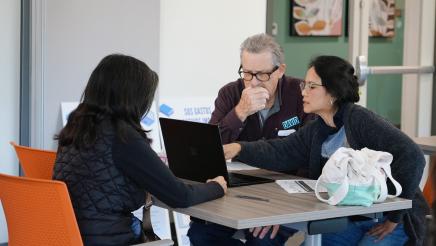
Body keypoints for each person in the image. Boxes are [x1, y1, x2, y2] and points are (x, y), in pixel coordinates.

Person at [223, 55, 429, 245]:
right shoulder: (317, 128)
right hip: (352, 217)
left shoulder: (360, 119)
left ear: (333, 92)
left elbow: (413, 157)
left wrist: (395, 218)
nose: (303, 92)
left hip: (392, 220)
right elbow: (280, 151)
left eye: (312, 87)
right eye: (305, 85)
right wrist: (239, 148)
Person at [53, 54, 227, 246]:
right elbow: (180, 196)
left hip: (71, 236)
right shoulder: (122, 137)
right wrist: (216, 186)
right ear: (133, 98)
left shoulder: (76, 126)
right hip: (111, 239)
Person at [188, 33, 311, 246]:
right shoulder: (230, 93)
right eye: (247, 73)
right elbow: (210, 149)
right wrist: (239, 113)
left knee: (262, 239)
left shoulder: (301, 95)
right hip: (240, 190)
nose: (253, 83)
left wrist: (282, 210)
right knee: (200, 234)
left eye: (261, 75)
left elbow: (308, 152)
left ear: (280, 70)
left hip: (287, 192)